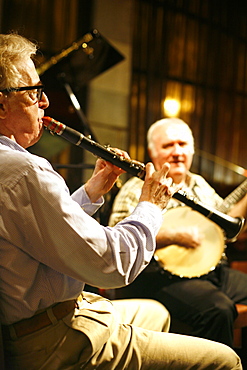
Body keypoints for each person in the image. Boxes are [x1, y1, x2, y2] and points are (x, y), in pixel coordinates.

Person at [0, 33, 242, 370]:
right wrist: (151, 204)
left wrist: (93, 190)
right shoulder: (23, 170)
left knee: (156, 313)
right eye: (34, 92)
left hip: (50, 319)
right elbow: (111, 264)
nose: (45, 103)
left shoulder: (12, 167)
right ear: (1, 104)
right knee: (226, 360)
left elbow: (51, 234)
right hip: (55, 339)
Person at [109, 117, 247, 349]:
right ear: (153, 152)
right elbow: (120, 240)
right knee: (218, 310)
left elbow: (227, 226)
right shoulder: (138, 186)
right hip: (159, 277)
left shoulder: (199, 184)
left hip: (211, 273)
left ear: (192, 150)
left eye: (182, 145)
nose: (177, 152)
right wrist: (175, 235)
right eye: (168, 145)